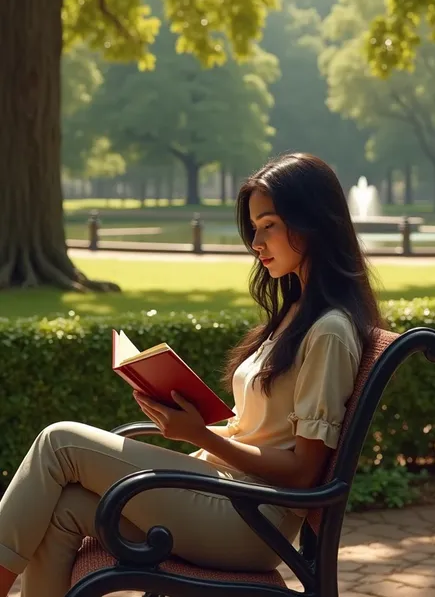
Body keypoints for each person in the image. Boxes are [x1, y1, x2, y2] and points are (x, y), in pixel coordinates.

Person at [0, 153, 381, 597]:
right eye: (254, 228)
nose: (256, 243)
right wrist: (186, 418)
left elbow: (303, 472)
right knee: (66, 509)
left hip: (252, 521)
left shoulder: (328, 332)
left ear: (312, 220)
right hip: (222, 495)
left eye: (269, 224)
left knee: (59, 441)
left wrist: (200, 435)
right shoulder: (295, 314)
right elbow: (263, 432)